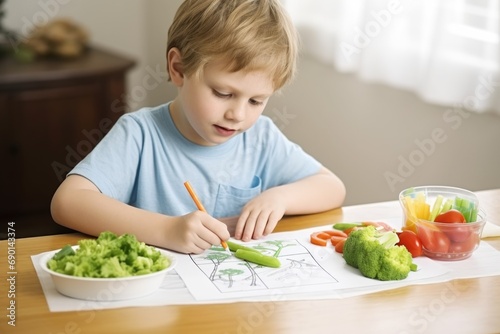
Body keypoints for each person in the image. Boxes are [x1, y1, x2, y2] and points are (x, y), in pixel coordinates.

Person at [50, 0, 346, 254]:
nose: (238, 114)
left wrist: (280, 197)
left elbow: (332, 187)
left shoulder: (261, 137)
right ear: (178, 69)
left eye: (257, 100)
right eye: (223, 94)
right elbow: (68, 202)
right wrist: (166, 230)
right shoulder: (140, 134)